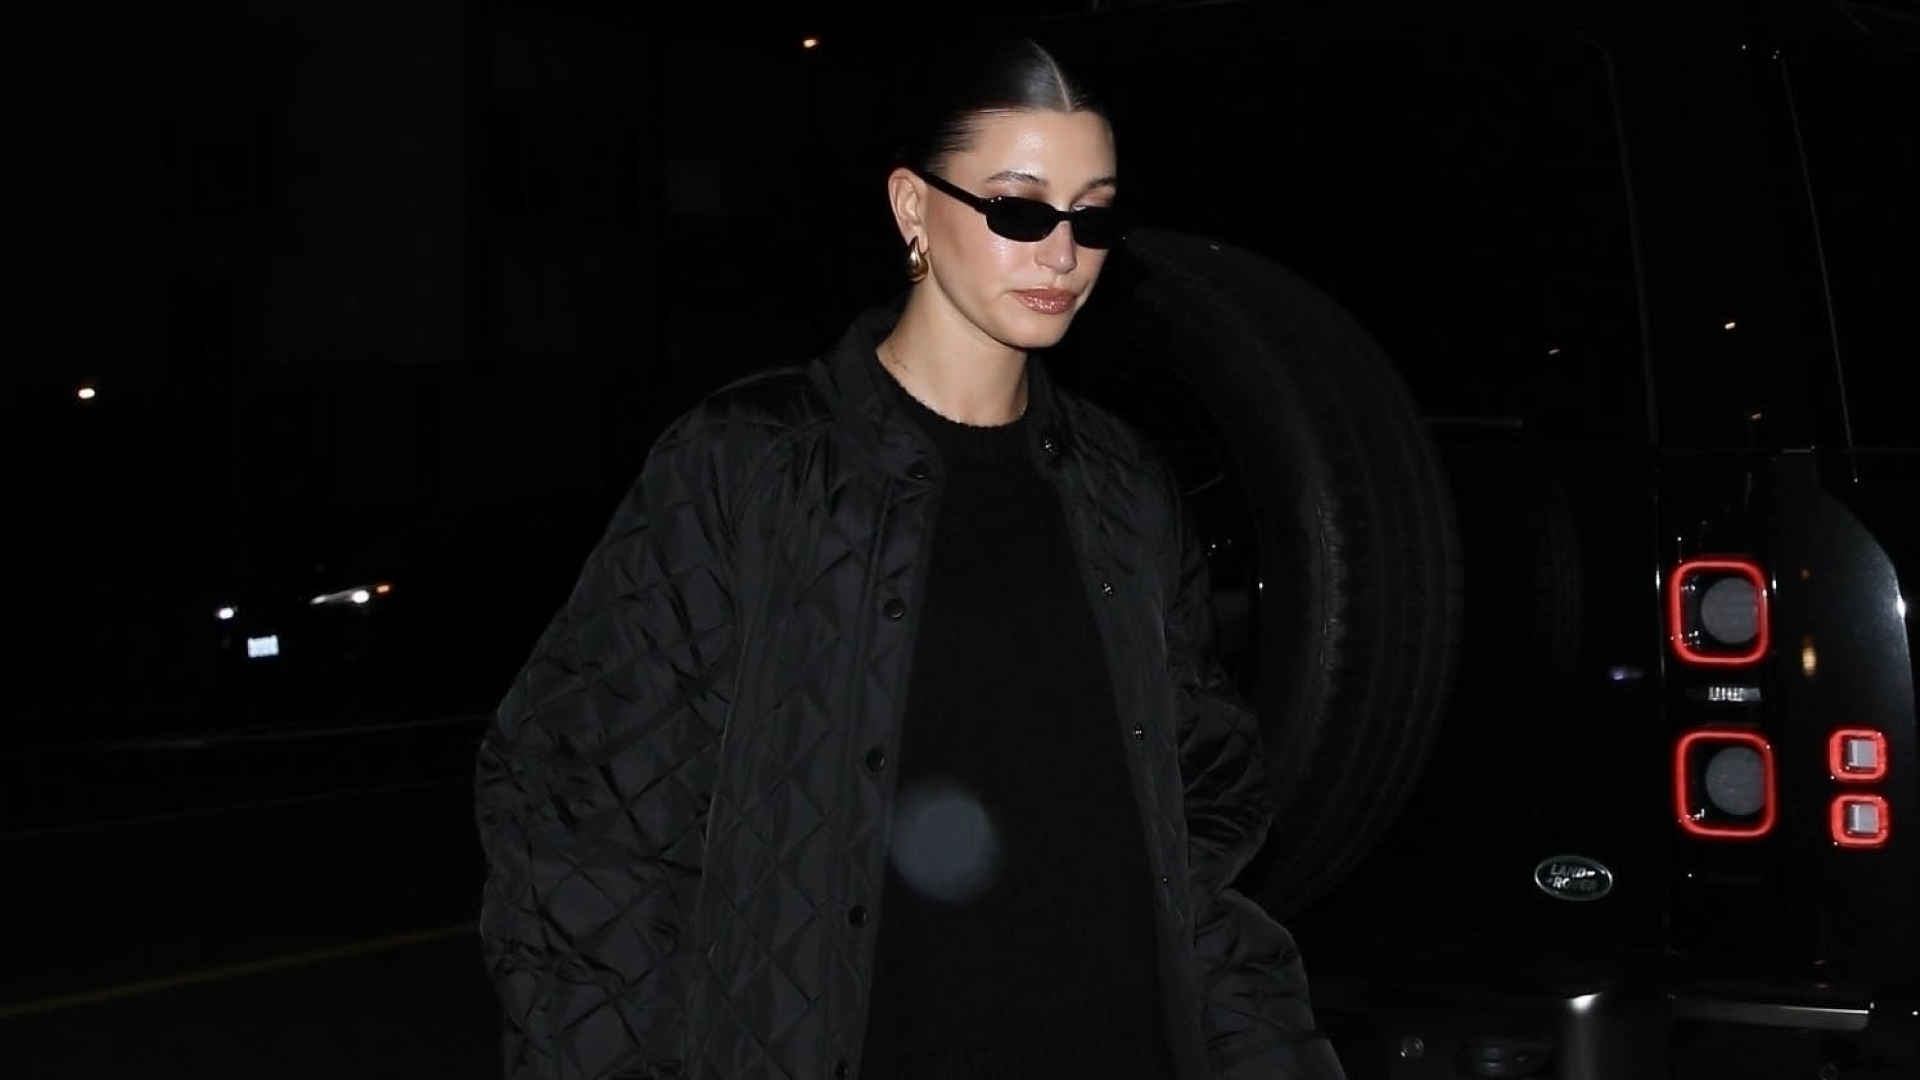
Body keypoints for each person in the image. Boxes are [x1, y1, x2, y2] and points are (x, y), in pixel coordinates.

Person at [474, 32, 1347, 1080]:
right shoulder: (749, 468)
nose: (1062, 253)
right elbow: (584, 832)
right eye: (1019, 210)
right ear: (912, 207)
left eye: (1094, 216)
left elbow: (1194, 836)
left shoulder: (1122, 489)